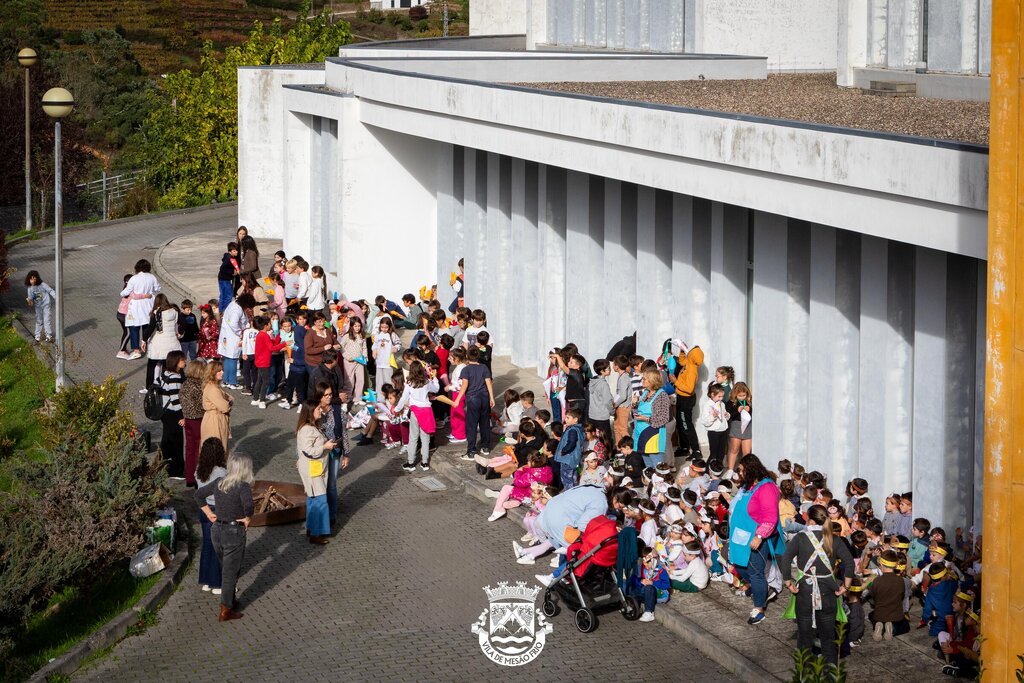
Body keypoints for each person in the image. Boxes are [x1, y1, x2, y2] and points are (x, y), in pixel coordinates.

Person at [780, 504, 854, 664]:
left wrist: (788, 582)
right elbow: (849, 563)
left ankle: (804, 671)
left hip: (804, 591)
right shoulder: (834, 539)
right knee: (828, 637)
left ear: (810, 520)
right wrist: (845, 587)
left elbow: (785, 559)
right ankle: (830, 671)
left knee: (804, 636)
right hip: (828, 591)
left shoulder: (800, 538)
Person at [195, 452, 254, 621]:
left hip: (217, 531)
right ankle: (226, 610)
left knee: (227, 568)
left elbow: (198, 495)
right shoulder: (243, 486)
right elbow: (249, 506)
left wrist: (208, 513)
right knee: (230, 572)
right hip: (234, 533)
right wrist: (248, 518)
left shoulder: (219, 482)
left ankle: (231, 599)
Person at [729, 453, 784, 625]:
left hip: (756, 538)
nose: (739, 473)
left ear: (750, 470)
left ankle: (759, 608)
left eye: (741, 470)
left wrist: (760, 536)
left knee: (755, 572)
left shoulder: (766, 487)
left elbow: (770, 517)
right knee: (740, 566)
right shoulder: (748, 486)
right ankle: (760, 588)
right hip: (741, 537)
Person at [296, 401, 336, 545]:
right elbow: (308, 451)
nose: (321, 410)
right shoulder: (307, 429)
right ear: (311, 411)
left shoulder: (312, 426)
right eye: (318, 408)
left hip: (315, 468)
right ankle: (317, 533)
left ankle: (312, 528)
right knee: (320, 501)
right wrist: (325, 446)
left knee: (313, 500)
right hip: (313, 469)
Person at [312, 382, 351, 527]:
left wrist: (346, 454)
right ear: (319, 396)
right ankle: (319, 512)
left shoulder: (337, 410)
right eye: (326, 395)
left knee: (332, 484)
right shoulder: (313, 410)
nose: (329, 397)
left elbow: (344, 433)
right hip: (319, 453)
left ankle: (332, 515)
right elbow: (305, 434)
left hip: (335, 451)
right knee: (318, 482)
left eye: (330, 394)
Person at [195, 437, 227, 594]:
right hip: (216, 510)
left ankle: (205, 581)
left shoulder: (199, 470)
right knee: (217, 547)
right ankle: (216, 583)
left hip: (203, 509)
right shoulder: (221, 472)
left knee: (207, 545)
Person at [486, 450, 552, 522]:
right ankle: (512, 501)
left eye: (529, 461)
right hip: (536, 495)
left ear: (533, 462)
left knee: (506, 488)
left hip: (528, 495)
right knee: (505, 502)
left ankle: (498, 510)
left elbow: (518, 482)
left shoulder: (532, 474)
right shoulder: (547, 470)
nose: (527, 462)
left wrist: (518, 471)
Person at [453, 346, 495, 461]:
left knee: (471, 425)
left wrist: (457, 400)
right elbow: (488, 383)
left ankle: (471, 451)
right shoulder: (484, 367)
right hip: (484, 397)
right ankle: (486, 447)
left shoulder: (466, 370)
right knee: (484, 423)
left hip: (473, 399)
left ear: (467, 356)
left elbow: (464, 385)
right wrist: (491, 398)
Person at [397, 361, 439, 472]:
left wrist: (397, 409)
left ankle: (411, 463)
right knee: (425, 438)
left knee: (413, 437)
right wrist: (434, 378)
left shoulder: (409, 383)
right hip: (426, 411)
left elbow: (403, 398)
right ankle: (425, 462)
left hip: (415, 412)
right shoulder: (426, 382)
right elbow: (436, 389)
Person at [632, 368, 673, 467]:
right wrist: (635, 404)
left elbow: (664, 418)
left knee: (657, 465)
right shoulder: (645, 393)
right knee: (648, 467)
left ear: (652, 381)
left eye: (645, 379)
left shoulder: (661, 396)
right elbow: (638, 411)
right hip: (641, 434)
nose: (642, 381)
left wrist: (646, 419)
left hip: (653, 435)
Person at [121, 259, 160, 360]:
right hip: (149, 304)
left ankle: (136, 350)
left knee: (134, 328)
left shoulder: (134, 278)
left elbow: (126, 291)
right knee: (147, 326)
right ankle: (148, 346)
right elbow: (157, 289)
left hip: (136, 306)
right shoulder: (152, 277)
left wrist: (123, 293)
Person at [158, 350, 187, 480]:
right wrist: (182, 417)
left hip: (165, 412)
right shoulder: (175, 378)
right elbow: (176, 400)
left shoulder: (164, 374)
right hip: (173, 413)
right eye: (182, 360)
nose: (185, 361)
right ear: (176, 361)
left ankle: (163, 465)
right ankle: (176, 470)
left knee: (167, 439)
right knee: (176, 442)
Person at [671, 344, 704, 460]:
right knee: (680, 423)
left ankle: (696, 451)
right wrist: (682, 351)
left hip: (686, 400)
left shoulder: (692, 370)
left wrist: (675, 381)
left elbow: (689, 389)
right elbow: (682, 361)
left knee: (686, 425)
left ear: (693, 356)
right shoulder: (689, 363)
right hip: (681, 397)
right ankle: (684, 447)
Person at [218, 294, 255, 389]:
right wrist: (241, 332)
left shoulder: (234, 304)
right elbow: (233, 324)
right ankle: (233, 382)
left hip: (227, 336)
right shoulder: (237, 309)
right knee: (233, 359)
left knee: (227, 358)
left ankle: (226, 380)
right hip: (233, 337)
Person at [145, 294, 181, 390]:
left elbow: (150, 328)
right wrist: (179, 334)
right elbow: (183, 323)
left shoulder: (157, 313)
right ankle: (167, 386)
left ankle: (149, 387)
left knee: (151, 364)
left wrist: (143, 340)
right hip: (172, 343)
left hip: (159, 343)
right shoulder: (175, 311)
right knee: (167, 365)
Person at [180, 360, 206, 488]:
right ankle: (197, 478)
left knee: (190, 448)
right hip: (198, 419)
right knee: (198, 448)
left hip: (188, 418)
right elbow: (203, 403)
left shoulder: (185, 383)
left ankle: (189, 477)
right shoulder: (198, 386)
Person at [250, 316, 286, 409]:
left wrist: (278, 337)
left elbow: (272, 343)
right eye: (270, 323)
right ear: (265, 325)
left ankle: (255, 399)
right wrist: (285, 344)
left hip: (260, 361)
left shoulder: (261, 334)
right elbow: (271, 348)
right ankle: (262, 400)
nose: (271, 325)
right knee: (265, 381)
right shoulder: (264, 335)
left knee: (259, 380)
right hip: (264, 362)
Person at [201, 361, 232, 452]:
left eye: (222, 370)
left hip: (216, 418)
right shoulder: (213, 388)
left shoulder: (214, 386)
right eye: (219, 371)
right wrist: (228, 403)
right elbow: (225, 407)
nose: (222, 372)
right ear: (212, 373)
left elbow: (229, 398)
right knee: (216, 449)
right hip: (215, 420)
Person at [635, 546, 671, 623]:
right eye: (644, 561)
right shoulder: (642, 568)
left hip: (659, 594)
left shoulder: (661, 570)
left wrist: (652, 583)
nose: (646, 564)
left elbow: (666, 584)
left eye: (648, 562)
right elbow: (636, 579)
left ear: (655, 560)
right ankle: (632, 605)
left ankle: (649, 612)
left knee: (649, 588)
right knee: (629, 585)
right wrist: (641, 581)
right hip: (645, 593)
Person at [282, 310, 309, 410]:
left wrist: (294, 361)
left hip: (300, 369)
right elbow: (295, 348)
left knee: (300, 388)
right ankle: (288, 401)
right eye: (300, 319)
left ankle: (301, 404)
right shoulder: (297, 344)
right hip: (293, 367)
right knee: (289, 385)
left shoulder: (305, 345)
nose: (302, 321)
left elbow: (305, 360)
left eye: (304, 319)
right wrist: (290, 348)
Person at [726, 382, 753, 471]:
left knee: (747, 452)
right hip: (736, 425)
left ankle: (745, 470)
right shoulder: (730, 402)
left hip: (747, 427)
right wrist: (737, 410)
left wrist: (750, 409)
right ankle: (730, 470)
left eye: (744, 395)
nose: (742, 397)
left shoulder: (749, 401)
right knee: (734, 449)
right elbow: (729, 415)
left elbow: (753, 413)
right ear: (735, 394)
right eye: (739, 396)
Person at [24, 270, 56, 344]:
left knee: (47, 320)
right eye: (31, 279)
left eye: (34, 279)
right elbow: (30, 298)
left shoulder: (42, 285)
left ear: (37, 278)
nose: (33, 281)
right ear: (29, 279)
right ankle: (37, 335)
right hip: (38, 306)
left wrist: (56, 297)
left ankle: (48, 335)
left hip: (46, 305)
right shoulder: (30, 288)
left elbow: (50, 290)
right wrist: (29, 301)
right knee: (39, 320)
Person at [587, 358, 615, 444]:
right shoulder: (603, 384)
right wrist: (612, 412)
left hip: (592, 414)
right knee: (606, 439)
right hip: (602, 416)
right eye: (608, 368)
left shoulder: (592, 381)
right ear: (602, 371)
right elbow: (607, 401)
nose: (610, 370)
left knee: (595, 439)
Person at [701, 383, 729, 464]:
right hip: (714, 432)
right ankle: (708, 470)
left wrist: (727, 415)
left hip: (723, 431)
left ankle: (718, 469)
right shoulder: (708, 405)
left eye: (722, 396)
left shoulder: (722, 404)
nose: (721, 398)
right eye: (719, 396)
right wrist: (713, 417)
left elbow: (725, 417)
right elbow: (704, 421)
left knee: (721, 453)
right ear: (712, 394)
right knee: (713, 454)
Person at [372, 316, 401, 392]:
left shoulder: (392, 335)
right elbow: (375, 344)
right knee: (379, 381)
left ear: (389, 327)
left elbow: (398, 344)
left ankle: (389, 395)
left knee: (388, 380)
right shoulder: (378, 335)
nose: (384, 329)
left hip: (388, 362)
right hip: (379, 362)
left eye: (386, 327)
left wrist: (396, 348)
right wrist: (374, 350)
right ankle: (380, 396)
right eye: (382, 327)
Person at [340, 318, 366, 401]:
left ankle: (358, 398)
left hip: (360, 361)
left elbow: (364, 347)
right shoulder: (346, 336)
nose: (357, 328)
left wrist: (365, 357)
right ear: (351, 326)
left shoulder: (362, 335)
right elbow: (341, 348)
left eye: (359, 326)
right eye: (355, 326)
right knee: (349, 381)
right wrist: (347, 357)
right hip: (349, 361)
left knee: (361, 379)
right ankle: (347, 398)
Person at [611, 355, 632, 445]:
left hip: (623, 407)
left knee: (622, 429)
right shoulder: (622, 376)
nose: (612, 366)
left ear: (617, 366)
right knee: (616, 428)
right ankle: (619, 448)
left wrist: (615, 404)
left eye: (613, 364)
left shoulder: (624, 378)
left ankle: (629, 448)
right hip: (620, 406)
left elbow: (623, 396)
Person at [217, 242, 240, 313]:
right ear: (230, 251)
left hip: (221, 278)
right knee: (228, 296)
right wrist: (233, 272)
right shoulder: (229, 259)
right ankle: (225, 311)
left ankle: (221, 310)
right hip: (225, 279)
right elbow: (222, 268)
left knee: (222, 295)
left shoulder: (227, 256)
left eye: (237, 250)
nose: (236, 252)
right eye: (234, 251)